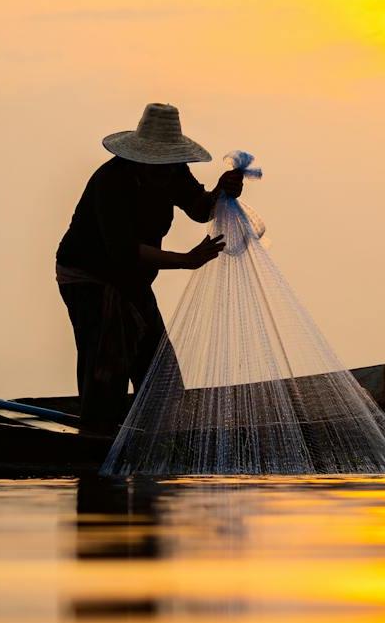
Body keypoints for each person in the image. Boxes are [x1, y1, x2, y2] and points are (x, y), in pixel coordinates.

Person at [54, 103, 245, 434]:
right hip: (88, 277)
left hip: (132, 279)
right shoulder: (111, 180)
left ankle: (157, 438)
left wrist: (222, 192)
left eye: (168, 164)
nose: (164, 171)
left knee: (158, 371)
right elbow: (123, 252)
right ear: (139, 158)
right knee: (105, 365)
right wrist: (185, 260)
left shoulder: (174, 172)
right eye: (156, 164)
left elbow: (200, 209)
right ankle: (98, 438)